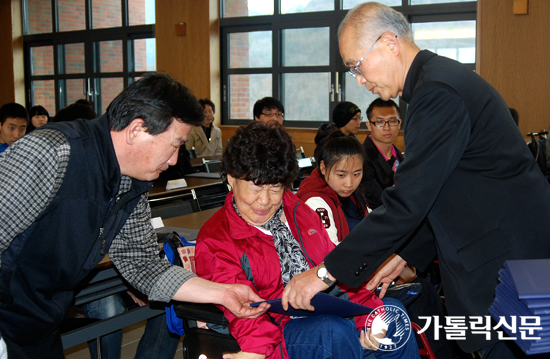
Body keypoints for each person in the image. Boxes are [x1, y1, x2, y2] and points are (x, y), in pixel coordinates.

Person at [282, 3, 550, 358]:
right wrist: (407, 251)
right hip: (514, 254)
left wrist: (324, 273)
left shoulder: (436, 93)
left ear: (389, 42)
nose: (359, 80)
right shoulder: (437, 82)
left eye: (356, 66)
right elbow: (446, 189)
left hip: (507, 266)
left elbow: (409, 200)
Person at [0, 72, 268, 358]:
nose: (175, 159)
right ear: (136, 130)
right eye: (175, 144)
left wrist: (222, 293)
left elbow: (142, 265)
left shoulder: (130, 181)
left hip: (39, 323)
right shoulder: (50, 153)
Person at [195, 121, 419, 359]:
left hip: (326, 311)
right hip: (277, 330)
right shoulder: (216, 238)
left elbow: (337, 267)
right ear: (231, 178)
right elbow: (238, 306)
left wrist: (370, 313)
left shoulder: (297, 211)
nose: (264, 201)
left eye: (275, 188)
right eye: (256, 188)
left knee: (392, 316)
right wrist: (256, 350)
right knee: (333, 332)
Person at [297, 132, 458, 358]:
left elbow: (374, 228)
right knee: (421, 293)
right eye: (341, 174)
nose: (349, 182)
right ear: (323, 168)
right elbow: (333, 256)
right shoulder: (316, 201)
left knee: (423, 289)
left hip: (362, 278)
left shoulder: (352, 195)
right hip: (345, 287)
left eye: (357, 173)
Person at [362, 98, 404, 210]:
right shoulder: (362, 158)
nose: (387, 127)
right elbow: (377, 202)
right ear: (369, 125)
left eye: (392, 121)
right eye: (379, 122)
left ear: (399, 124)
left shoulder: (397, 153)